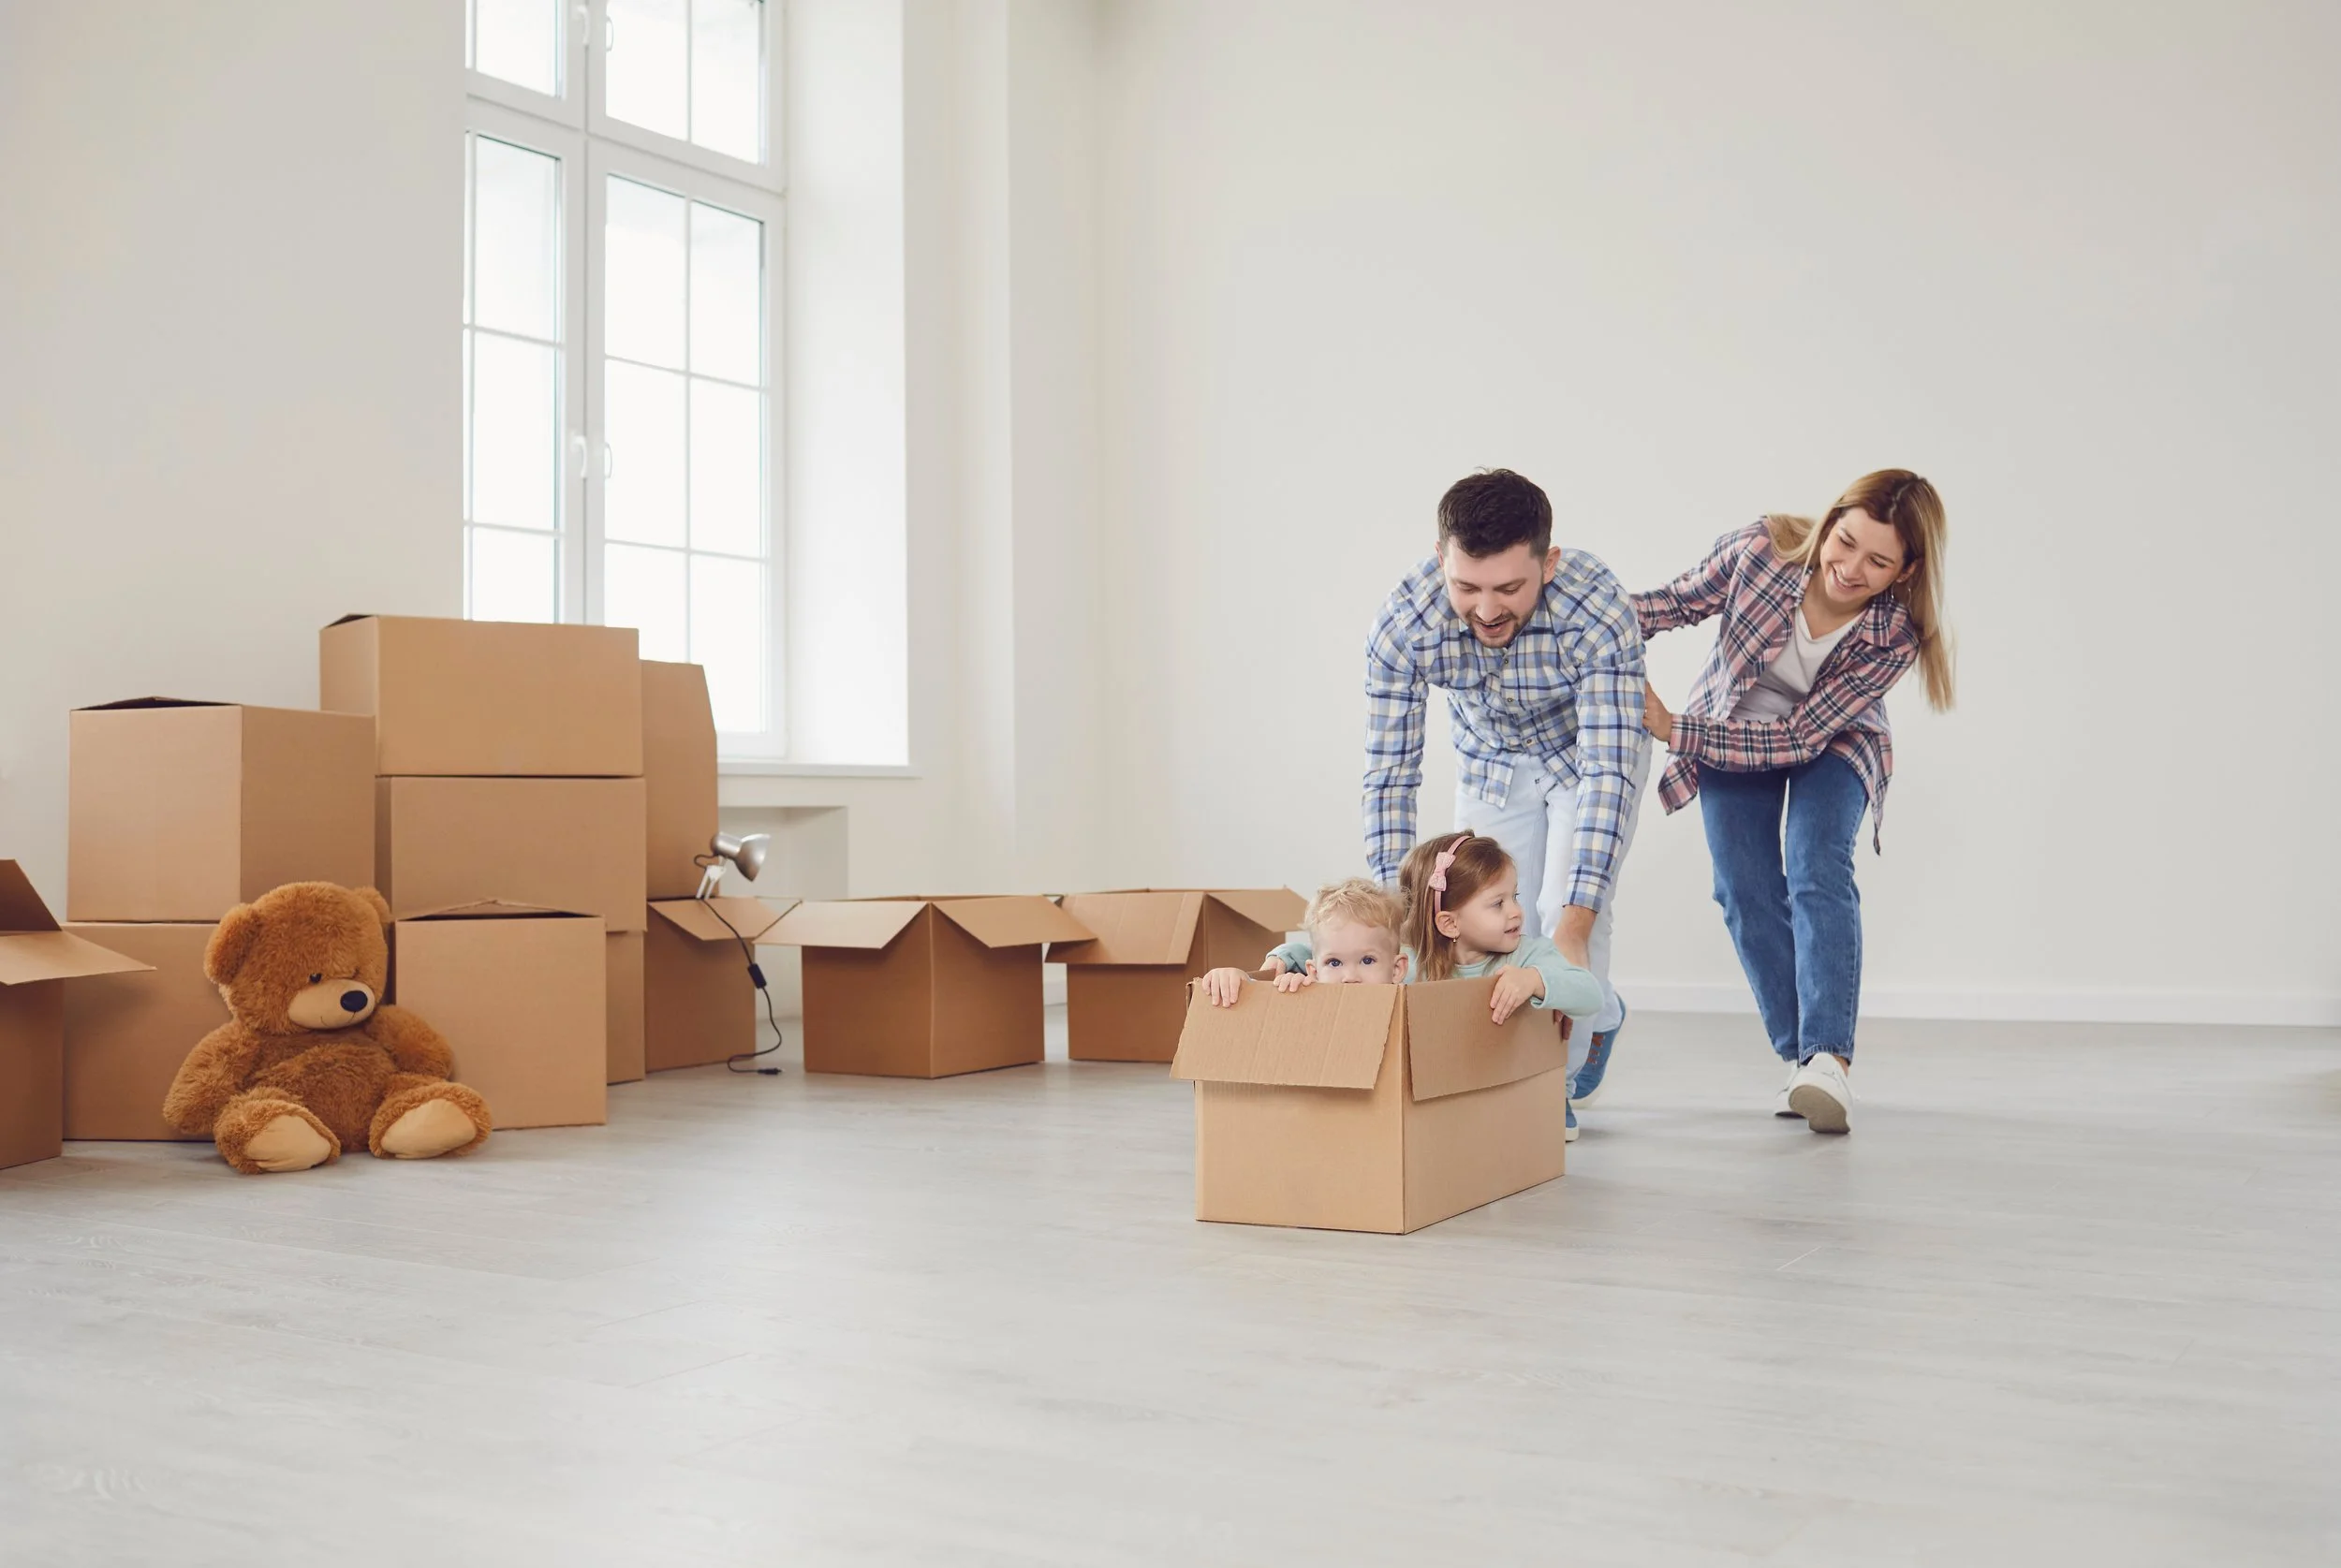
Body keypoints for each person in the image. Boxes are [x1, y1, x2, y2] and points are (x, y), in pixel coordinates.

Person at [1632, 470, 1955, 1134]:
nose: (1850, 568)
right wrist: (1572, 611)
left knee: (1815, 863)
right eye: (1845, 542)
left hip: (1834, 742)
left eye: (1879, 560)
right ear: (1830, 520)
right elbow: (1671, 603)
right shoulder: (1762, 551)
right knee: (1742, 888)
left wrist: (1672, 729)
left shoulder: (1895, 631)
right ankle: (1801, 1058)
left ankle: (1829, 1059)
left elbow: (1801, 735)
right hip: (1730, 730)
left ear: (1907, 569)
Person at [1357, 468, 1650, 1138]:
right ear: (1441, 560)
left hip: (1590, 759)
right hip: (1493, 764)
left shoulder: (1598, 608)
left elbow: (1608, 771)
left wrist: (1575, 922)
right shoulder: (1404, 625)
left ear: (1548, 563)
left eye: (1510, 589)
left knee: (1559, 917)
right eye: (1466, 587)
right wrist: (1389, 910)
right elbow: (1390, 774)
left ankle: (1555, 1084)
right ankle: (1559, 1037)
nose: (1487, 610)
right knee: (1474, 917)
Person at [1200, 878, 1409, 1004]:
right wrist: (1237, 978)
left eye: (1367, 960)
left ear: (1397, 969)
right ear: (1314, 972)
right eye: (1334, 963)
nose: (1350, 977)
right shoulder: (1309, 991)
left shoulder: (1410, 1007)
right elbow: (1262, 1002)